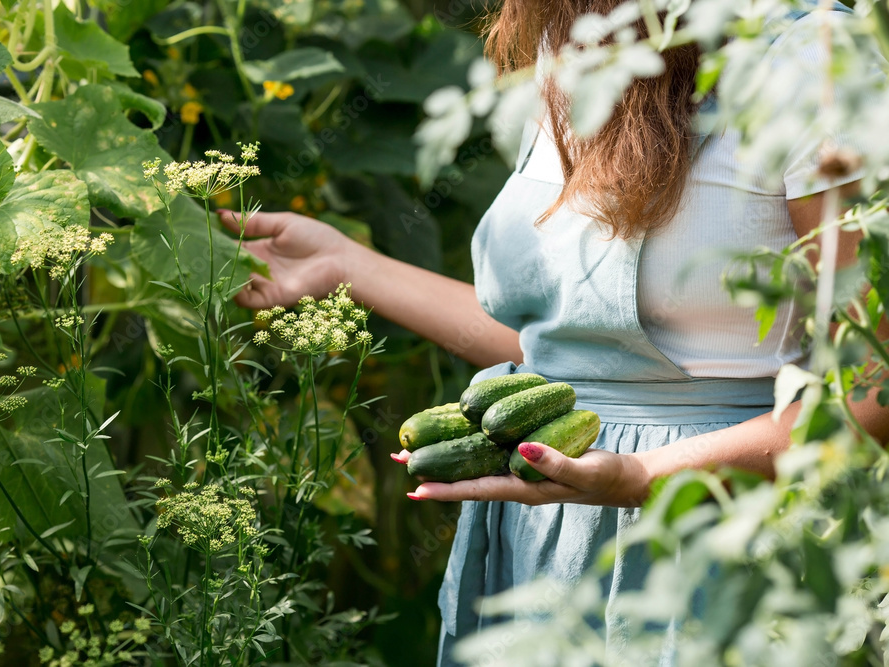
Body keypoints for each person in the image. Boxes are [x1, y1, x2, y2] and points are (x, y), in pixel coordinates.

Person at [221, 2, 889, 664]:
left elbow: (874, 389)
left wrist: (638, 474)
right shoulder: (574, 40)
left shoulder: (810, 56)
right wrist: (347, 265)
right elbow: (568, 349)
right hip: (547, 534)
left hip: (720, 531)